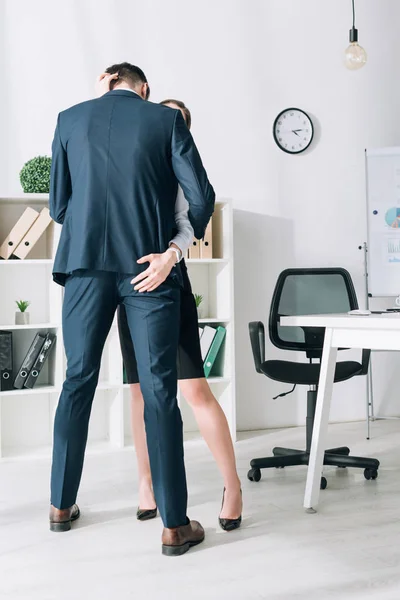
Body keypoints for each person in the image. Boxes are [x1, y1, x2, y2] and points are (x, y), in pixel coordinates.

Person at [48, 62, 215, 556]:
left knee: (78, 379)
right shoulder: (166, 122)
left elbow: (60, 205)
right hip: (149, 268)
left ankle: (60, 505)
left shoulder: (69, 118)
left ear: (107, 84)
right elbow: (200, 196)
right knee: (160, 389)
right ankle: (174, 526)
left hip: (83, 268)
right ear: (145, 89)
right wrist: (173, 249)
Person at [118, 98, 242, 531]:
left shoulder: (180, 170)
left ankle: (234, 486)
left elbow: (190, 221)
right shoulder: (138, 164)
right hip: (130, 284)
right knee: (137, 392)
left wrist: (171, 255)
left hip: (169, 283)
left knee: (194, 390)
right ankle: (147, 484)